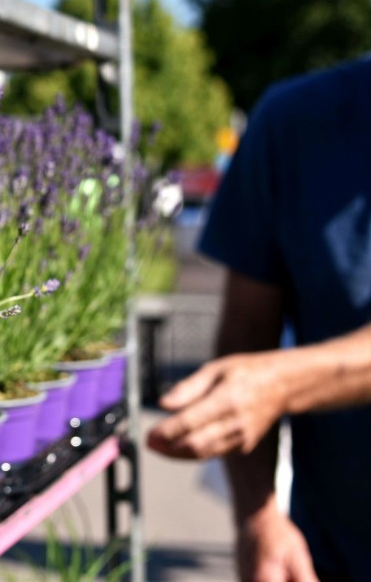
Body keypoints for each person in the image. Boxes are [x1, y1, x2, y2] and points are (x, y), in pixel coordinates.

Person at [146, 53, 371, 582]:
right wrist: (258, 517)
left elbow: (265, 374)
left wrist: (286, 382)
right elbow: (246, 331)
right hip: (328, 554)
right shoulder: (295, 121)